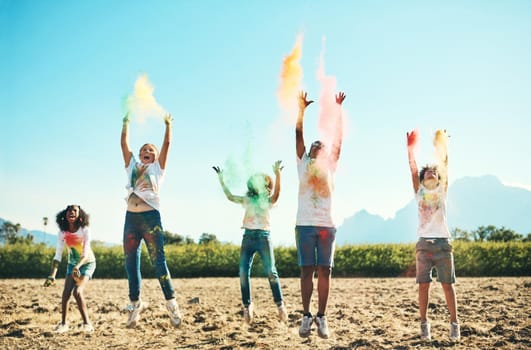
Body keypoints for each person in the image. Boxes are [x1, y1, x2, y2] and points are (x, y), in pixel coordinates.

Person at [120, 112, 181, 328]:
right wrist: (126, 122)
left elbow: (167, 143)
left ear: (155, 157)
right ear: (139, 154)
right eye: (144, 149)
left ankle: (172, 305)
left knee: (158, 262)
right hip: (131, 220)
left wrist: (167, 125)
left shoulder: (158, 169)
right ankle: (135, 305)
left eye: (151, 150)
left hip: (150, 218)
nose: (147, 151)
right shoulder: (133, 167)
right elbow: (123, 143)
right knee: (130, 263)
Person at [295, 90, 346, 339]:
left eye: (320, 144)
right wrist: (301, 110)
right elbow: (298, 135)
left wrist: (338, 111)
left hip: (327, 225)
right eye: (314, 144)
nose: (318, 145)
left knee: (325, 271)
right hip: (304, 225)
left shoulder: (330, 166)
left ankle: (321, 316)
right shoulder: (302, 164)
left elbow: (338, 142)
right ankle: (306, 315)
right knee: (307, 271)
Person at [213, 161, 288, 324]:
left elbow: (277, 195)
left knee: (271, 272)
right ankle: (247, 306)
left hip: (263, 237)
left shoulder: (267, 199)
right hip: (247, 237)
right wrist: (221, 179)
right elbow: (230, 197)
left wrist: (278, 174)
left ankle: (280, 306)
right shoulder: (247, 199)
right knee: (242, 273)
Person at [406, 129, 460, 342]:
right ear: (422, 177)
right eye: (426, 171)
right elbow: (412, 168)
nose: (430, 172)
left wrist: (443, 145)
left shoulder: (441, 191)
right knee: (423, 286)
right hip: (423, 245)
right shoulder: (419, 192)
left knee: (448, 285)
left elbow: (445, 166)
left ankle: (455, 324)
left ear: (438, 178)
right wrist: (410, 149)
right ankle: (424, 325)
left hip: (443, 244)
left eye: (433, 172)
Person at [44, 204, 96, 334]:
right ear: (65, 215)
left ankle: (87, 324)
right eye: (69, 211)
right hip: (72, 265)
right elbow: (58, 255)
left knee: (77, 292)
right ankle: (63, 324)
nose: (71, 213)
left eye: (74, 211)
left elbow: (85, 253)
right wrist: (52, 275)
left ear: (80, 215)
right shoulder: (63, 232)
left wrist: (78, 267)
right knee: (66, 293)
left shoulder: (84, 230)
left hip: (87, 263)